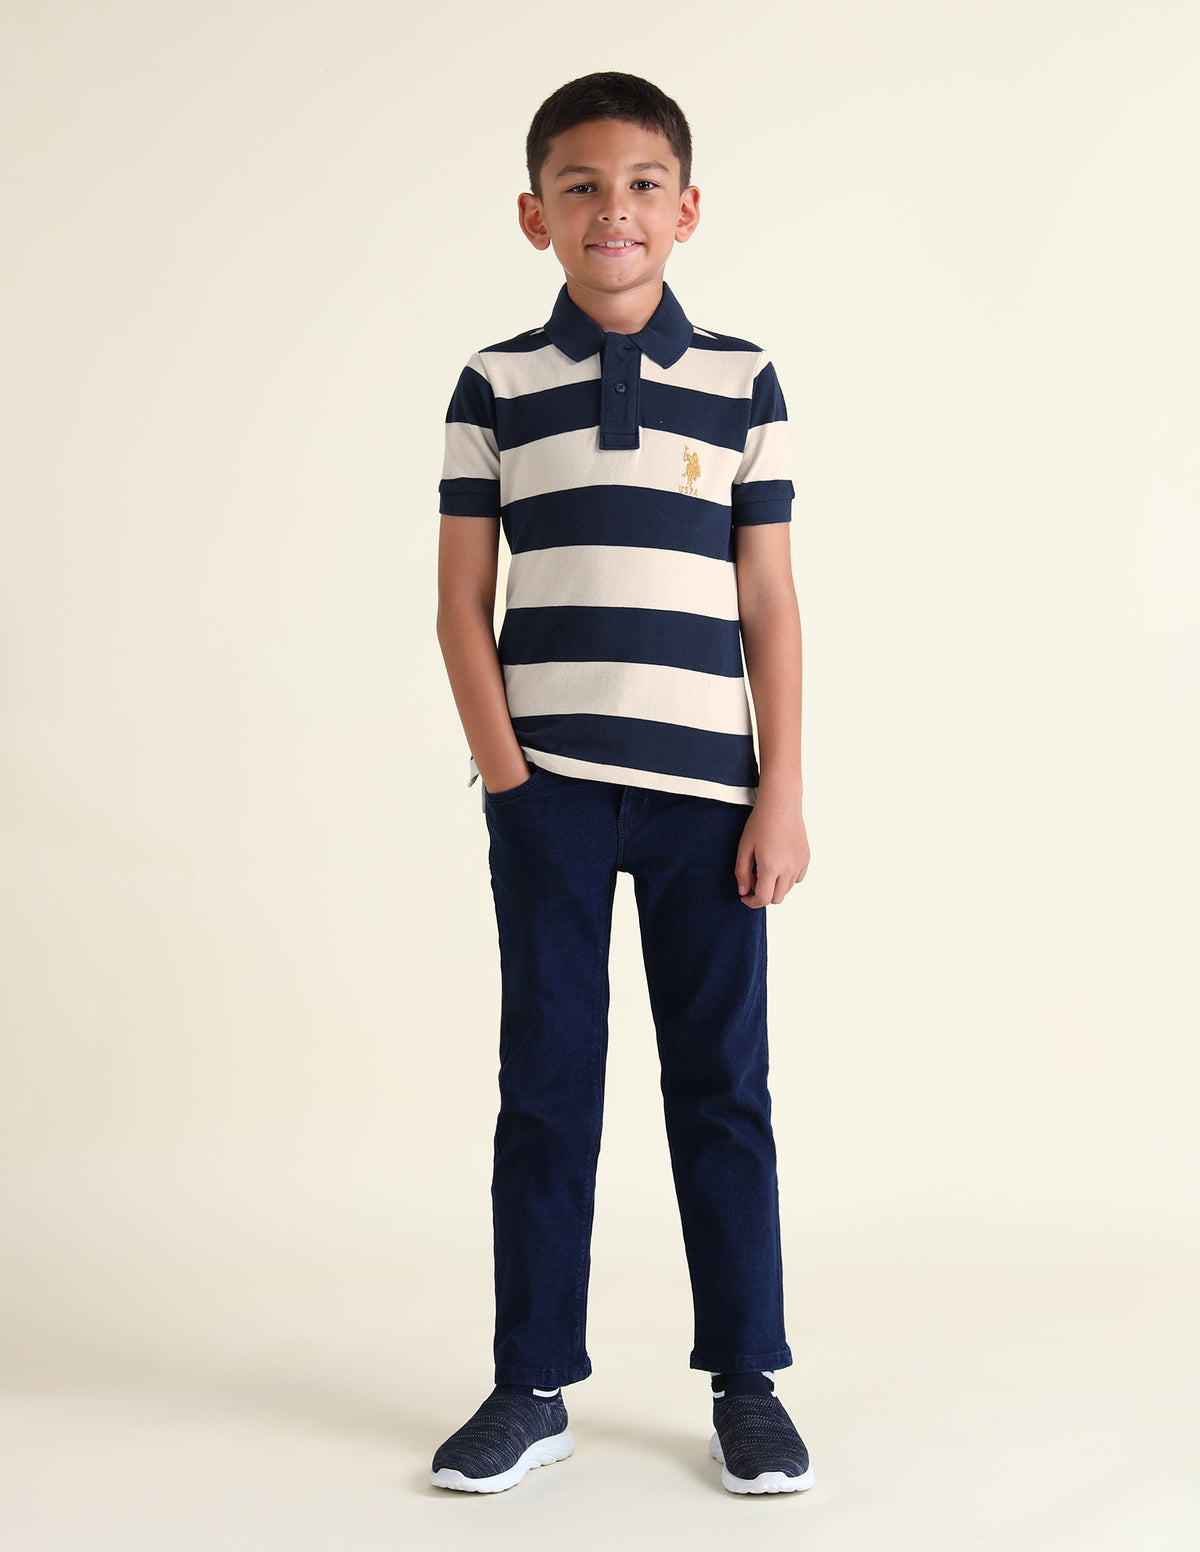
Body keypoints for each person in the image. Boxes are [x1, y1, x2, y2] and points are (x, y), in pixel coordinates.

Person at [431, 70, 813, 1497]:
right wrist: (510, 780)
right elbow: (461, 602)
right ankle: (530, 1385)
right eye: (581, 187)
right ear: (535, 216)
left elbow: (767, 599)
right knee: (547, 1085)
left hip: (710, 798)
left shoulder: (743, 381)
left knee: (723, 1086)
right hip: (552, 798)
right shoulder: (495, 386)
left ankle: (748, 1383)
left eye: (644, 184)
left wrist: (779, 791)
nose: (615, 211)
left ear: (687, 209)